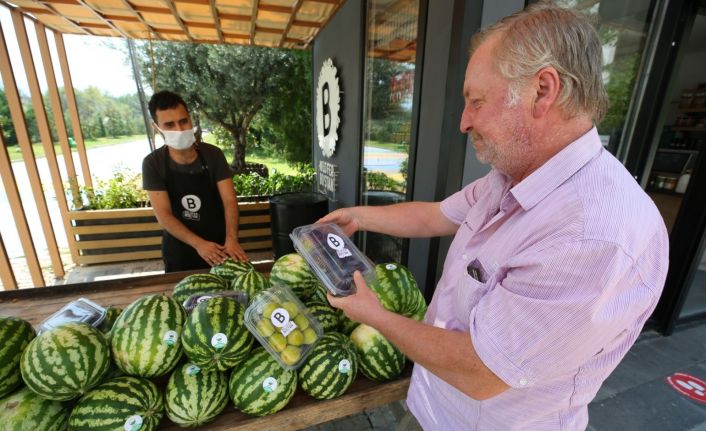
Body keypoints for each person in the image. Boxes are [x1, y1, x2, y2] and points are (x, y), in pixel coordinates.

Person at [320, 4, 669, 430]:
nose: (464, 122)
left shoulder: (592, 235)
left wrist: (374, 315)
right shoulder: (510, 178)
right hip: (432, 404)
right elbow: (434, 217)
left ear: (543, 90)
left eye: (476, 101)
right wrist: (358, 217)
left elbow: (483, 372)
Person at [142, 90, 247, 272]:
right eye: (169, 125)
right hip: (180, 253)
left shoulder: (213, 155)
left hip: (221, 249)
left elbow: (229, 201)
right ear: (156, 127)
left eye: (183, 121)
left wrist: (232, 239)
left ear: (190, 119)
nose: (179, 130)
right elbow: (164, 216)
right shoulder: (153, 163)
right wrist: (199, 244)